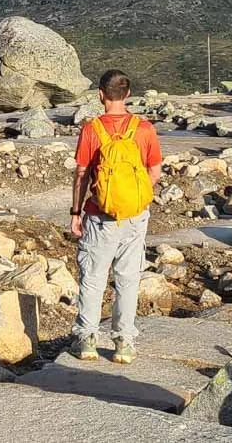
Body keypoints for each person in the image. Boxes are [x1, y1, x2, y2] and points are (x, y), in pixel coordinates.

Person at [69, 68, 162, 365]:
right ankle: (123, 343)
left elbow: (82, 174)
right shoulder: (144, 128)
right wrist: (135, 197)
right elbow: (154, 171)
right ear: (128, 95)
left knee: (94, 278)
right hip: (135, 216)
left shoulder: (91, 130)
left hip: (99, 215)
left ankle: (87, 340)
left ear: (100, 95)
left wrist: (76, 211)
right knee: (128, 278)